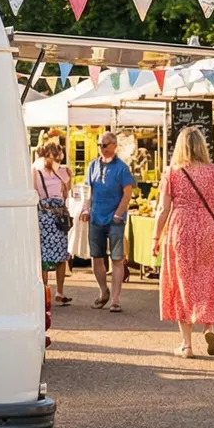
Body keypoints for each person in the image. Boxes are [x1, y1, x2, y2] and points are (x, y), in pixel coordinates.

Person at [154, 125, 214, 358]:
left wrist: (156, 237)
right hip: (207, 229)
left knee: (181, 284)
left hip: (180, 229)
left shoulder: (172, 172)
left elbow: (163, 208)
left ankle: (187, 344)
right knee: (208, 280)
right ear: (202, 145)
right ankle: (208, 327)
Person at [85, 131, 136, 312]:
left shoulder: (122, 168)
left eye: (105, 145)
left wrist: (118, 214)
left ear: (114, 146)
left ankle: (115, 299)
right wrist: (86, 208)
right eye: (99, 145)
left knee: (116, 259)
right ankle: (103, 291)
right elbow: (89, 190)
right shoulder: (92, 166)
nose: (101, 148)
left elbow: (128, 193)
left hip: (114, 218)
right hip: (96, 217)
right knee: (96, 257)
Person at [34, 140, 72, 306]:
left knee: (59, 255)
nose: (57, 159)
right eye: (55, 155)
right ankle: (48, 290)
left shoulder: (59, 171)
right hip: (50, 214)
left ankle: (56, 291)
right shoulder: (37, 170)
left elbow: (67, 190)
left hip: (51, 214)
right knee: (48, 256)